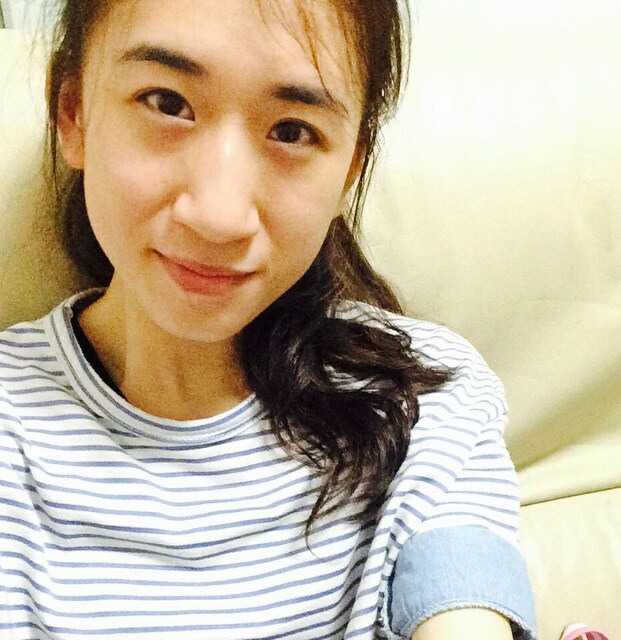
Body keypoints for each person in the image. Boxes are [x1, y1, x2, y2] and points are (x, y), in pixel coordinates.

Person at [0, 1, 537, 638]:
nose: (219, 216)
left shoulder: (427, 399)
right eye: (167, 103)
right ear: (73, 113)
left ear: (349, 170)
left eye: (292, 131)